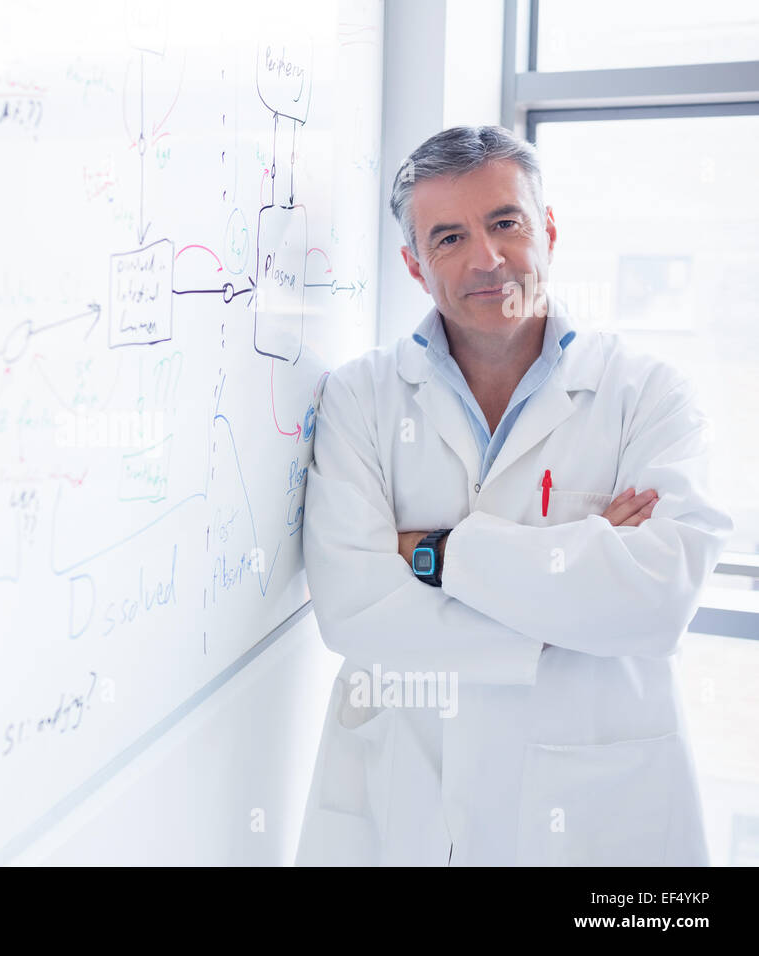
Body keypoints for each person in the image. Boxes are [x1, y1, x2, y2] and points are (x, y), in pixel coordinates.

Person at [294, 125, 733, 866]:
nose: (487, 260)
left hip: (594, 811)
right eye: (449, 237)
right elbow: (354, 610)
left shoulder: (648, 394)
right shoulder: (360, 399)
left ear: (549, 229)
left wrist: (436, 554)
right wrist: (576, 593)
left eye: (506, 223)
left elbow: (658, 601)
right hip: (406, 799)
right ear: (413, 263)